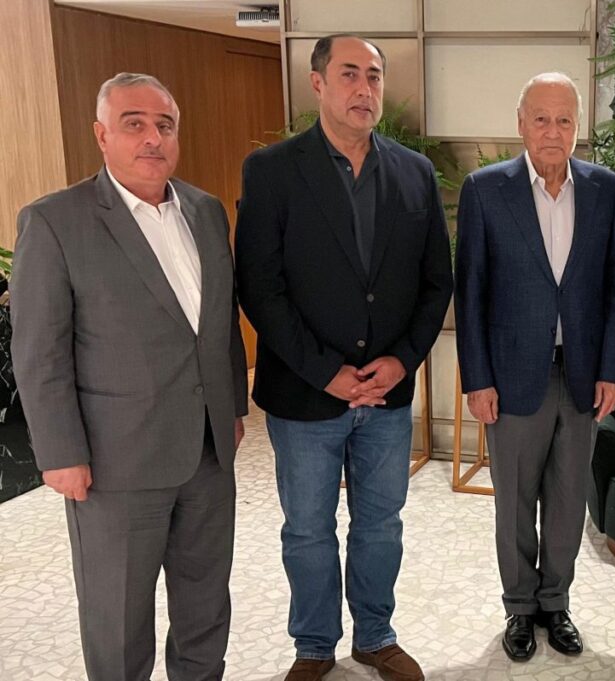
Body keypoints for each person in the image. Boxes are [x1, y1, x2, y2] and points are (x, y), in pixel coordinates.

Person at [11, 72, 248, 681]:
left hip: (207, 453)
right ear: (102, 135)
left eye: (164, 125)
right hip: (114, 461)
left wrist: (232, 409)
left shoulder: (204, 210)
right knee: (118, 614)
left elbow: (218, 322)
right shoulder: (55, 221)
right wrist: (60, 452)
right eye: (134, 124)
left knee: (205, 601)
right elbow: (40, 352)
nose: (152, 138)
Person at [234, 35, 452, 681]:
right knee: (307, 528)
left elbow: (436, 281)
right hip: (305, 394)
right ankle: (313, 645)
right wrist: (324, 370)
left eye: (374, 76)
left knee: (381, 525)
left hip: (387, 393)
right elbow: (260, 286)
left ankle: (375, 636)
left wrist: (402, 360)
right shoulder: (272, 170)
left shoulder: (414, 171)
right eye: (349, 74)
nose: (364, 88)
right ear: (318, 83)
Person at [454, 72, 615, 661]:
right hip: (510, 378)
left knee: (568, 499)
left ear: (578, 126)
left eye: (564, 120)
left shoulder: (606, 190)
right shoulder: (485, 190)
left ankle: (556, 603)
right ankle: (520, 608)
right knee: (514, 501)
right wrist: (477, 379)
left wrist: (613, 370)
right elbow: (470, 291)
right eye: (541, 119)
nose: (552, 131)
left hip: (581, 376)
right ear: (521, 124)